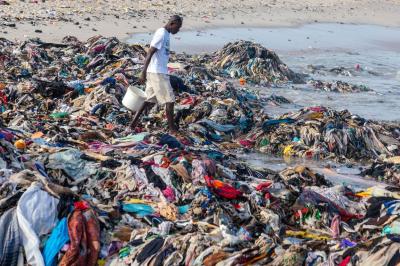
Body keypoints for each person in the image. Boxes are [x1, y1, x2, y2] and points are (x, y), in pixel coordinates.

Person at [131, 15, 183, 133]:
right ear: (172, 23)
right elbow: (150, 52)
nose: (178, 30)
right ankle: (172, 129)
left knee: (149, 100)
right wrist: (143, 73)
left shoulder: (166, 34)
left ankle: (132, 124)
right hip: (157, 73)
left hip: (156, 71)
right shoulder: (161, 33)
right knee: (170, 101)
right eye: (178, 27)